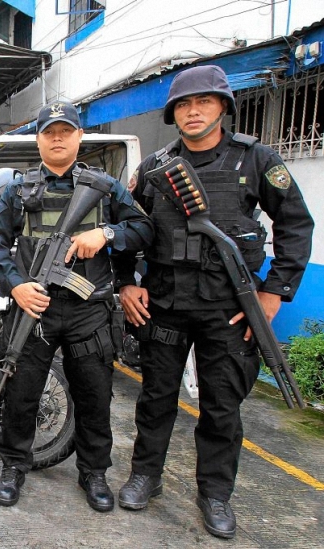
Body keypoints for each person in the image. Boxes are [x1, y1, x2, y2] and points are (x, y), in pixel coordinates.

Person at [113, 65, 314, 539]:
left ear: (223, 106)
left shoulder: (256, 160)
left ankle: (215, 494)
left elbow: (295, 226)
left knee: (222, 406)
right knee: (156, 398)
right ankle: (146, 476)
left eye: (203, 101)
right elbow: (126, 228)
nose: (193, 111)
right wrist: (126, 282)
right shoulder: (156, 169)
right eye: (183, 104)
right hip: (164, 303)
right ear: (173, 114)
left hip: (228, 307)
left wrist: (273, 292)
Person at [0, 100, 153, 510]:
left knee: (94, 395)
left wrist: (108, 235)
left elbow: (144, 229)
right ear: (39, 139)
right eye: (49, 132)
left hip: (89, 310)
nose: (57, 138)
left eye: (65, 131)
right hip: (33, 308)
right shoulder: (18, 189)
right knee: (22, 393)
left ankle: (93, 472)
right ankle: (14, 465)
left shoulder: (105, 187)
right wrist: (17, 286)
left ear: (79, 136)